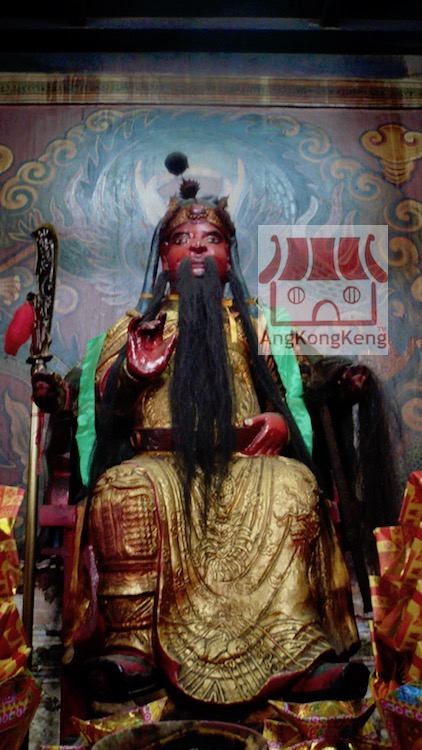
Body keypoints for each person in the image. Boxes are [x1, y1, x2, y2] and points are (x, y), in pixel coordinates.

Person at [33, 168, 370, 713]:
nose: (196, 247)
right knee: (123, 491)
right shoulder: (131, 329)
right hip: (160, 462)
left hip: (248, 461)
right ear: (164, 258)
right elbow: (101, 410)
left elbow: (293, 387)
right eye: (182, 239)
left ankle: (299, 650)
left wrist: (282, 423)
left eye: (211, 238)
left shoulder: (259, 327)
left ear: (229, 257)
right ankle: (132, 647)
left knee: (294, 486)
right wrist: (132, 374)